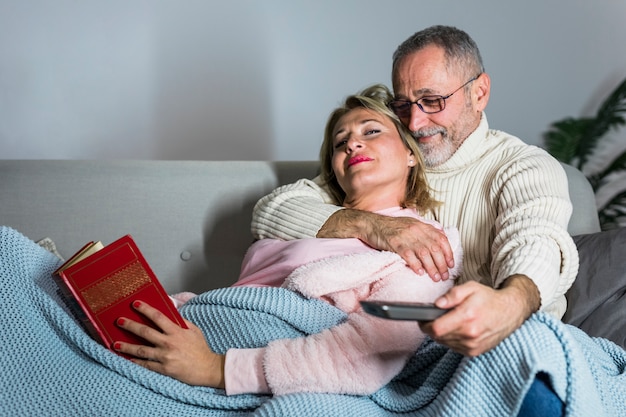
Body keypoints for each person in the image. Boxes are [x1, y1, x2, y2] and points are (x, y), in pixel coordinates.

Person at [251, 25, 579, 359]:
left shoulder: (522, 166)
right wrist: (374, 226)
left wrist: (509, 302)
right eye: (403, 105)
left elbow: (536, 241)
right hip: (404, 355)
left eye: (432, 101)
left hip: (509, 345)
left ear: (478, 93)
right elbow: (273, 209)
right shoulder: (385, 163)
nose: (414, 123)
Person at [114, 84, 463, 396]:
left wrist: (214, 368)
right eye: (340, 142)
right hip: (200, 318)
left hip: (230, 357)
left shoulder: (426, 243)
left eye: (371, 131)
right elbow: (269, 213)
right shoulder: (308, 208)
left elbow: (368, 354)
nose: (353, 142)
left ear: (410, 154)